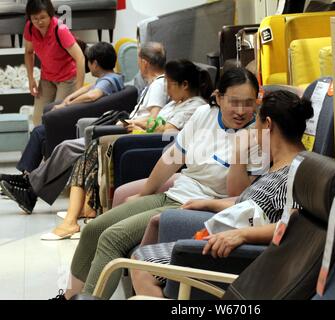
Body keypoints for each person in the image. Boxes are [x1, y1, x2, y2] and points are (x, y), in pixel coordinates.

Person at [52, 67, 261, 300]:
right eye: (234, 101)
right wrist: (144, 194)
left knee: (112, 238)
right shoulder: (204, 115)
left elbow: (238, 195)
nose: (242, 111)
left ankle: (90, 297)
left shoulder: (258, 134)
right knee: (93, 229)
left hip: (195, 207)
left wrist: (240, 154)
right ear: (219, 97)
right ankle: (69, 296)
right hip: (175, 193)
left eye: (248, 103)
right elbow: (171, 159)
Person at [130, 89, 314, 298]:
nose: (253, 129)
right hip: (228, 242)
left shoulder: (297, 172)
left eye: (257, 124)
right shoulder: (280, 164)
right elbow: (254, 206)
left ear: (268, 125)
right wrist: (209, 204)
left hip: (242, 256)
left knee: (142, 265)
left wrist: (241, 235)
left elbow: (294, 225)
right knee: (141, 258)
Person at [42, 59, 214, 240]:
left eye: (169, 85)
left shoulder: (195, 106)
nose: (166, 90)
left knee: (95, 148)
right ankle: (81, 211)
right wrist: (140, 123)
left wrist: (142, 128)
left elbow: (169, 132)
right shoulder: (175, 103)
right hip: (141, 137)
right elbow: (157, 123)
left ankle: (73, 218)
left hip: (146, 144)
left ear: (184, 85)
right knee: (91, 149)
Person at [0, 42, 124, 214]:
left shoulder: (109, 81)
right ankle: (27, 182)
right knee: (41, 133)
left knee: (43, 134)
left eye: (88, 61)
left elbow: (93, 95)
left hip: (82, 125)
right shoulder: (111, 78)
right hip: (82, 123)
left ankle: (27, 182)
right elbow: (89, 89)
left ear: (94, 63)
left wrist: (68, 105)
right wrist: (67, 101)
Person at [24, 0, 85, 126]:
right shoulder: (30, 27)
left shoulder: (60, 29)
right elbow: (29, 52)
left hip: (67, 79)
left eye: (42, 17)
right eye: (35, 18)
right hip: (47, 77)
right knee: (38, 120)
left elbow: (80, 58)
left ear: (50, 14)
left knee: (57, 118)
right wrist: (31, 79)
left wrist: (78, 90)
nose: (39, 22)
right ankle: (42, 145)